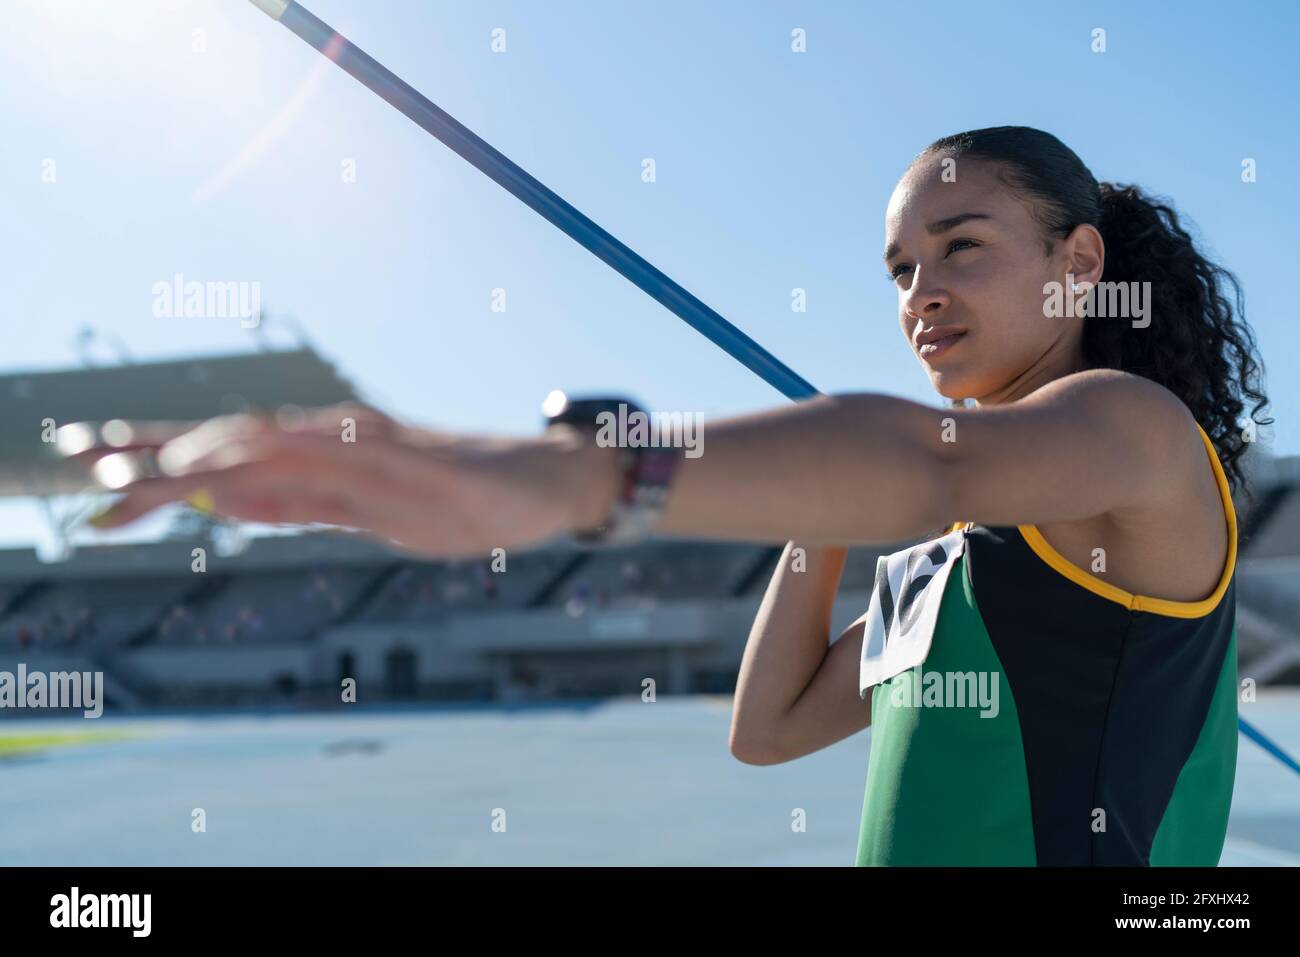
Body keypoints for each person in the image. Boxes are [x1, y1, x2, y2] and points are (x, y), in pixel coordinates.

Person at [81, 126, 1267, 866]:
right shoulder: (958, 552)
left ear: (1080, 263)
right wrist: (820, 516)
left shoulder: (1134, 427)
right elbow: (769, 732)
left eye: (963, 247)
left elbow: (930, 459)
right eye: (900, 268)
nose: (919, 293)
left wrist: (585, 472)